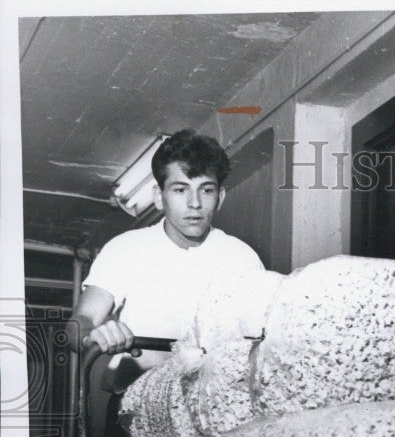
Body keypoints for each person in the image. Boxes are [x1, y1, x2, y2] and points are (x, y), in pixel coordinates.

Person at [71, 129, 263, 407]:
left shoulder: (243, 258)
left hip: (212, 402)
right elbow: (78, 324)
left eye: (206, 190)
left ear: (220, 197)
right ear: (159, 197)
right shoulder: (124, 249)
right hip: (135, 402)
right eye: (180, 189)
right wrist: (95, 335)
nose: (194, 203)